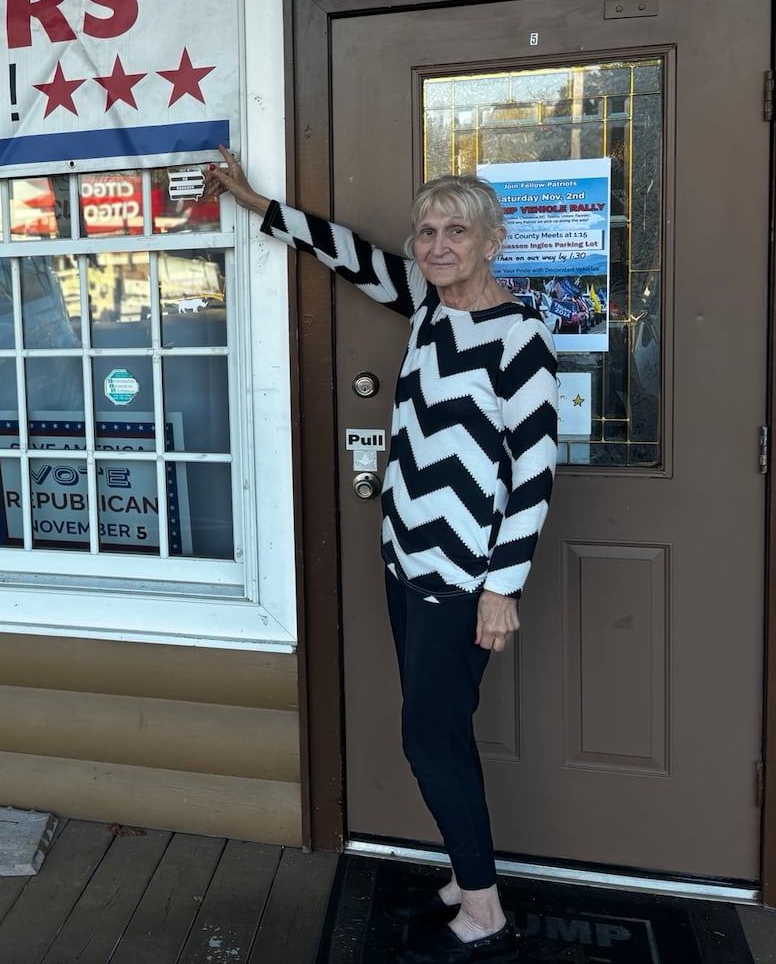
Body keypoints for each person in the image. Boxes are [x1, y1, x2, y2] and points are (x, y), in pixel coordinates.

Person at [206, 145, 557, 964]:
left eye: (456, 232)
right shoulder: (431, 308)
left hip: (464, 580)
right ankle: (466, 877)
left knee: (429, 737)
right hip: (406, 563)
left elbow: (536, 475)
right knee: (442, 728)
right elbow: (350, 253)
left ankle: (483, 912)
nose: (437, 245)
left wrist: (501, 590)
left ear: (492, 241)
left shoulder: (521, 337)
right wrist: (258, 205)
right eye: (427, 231)